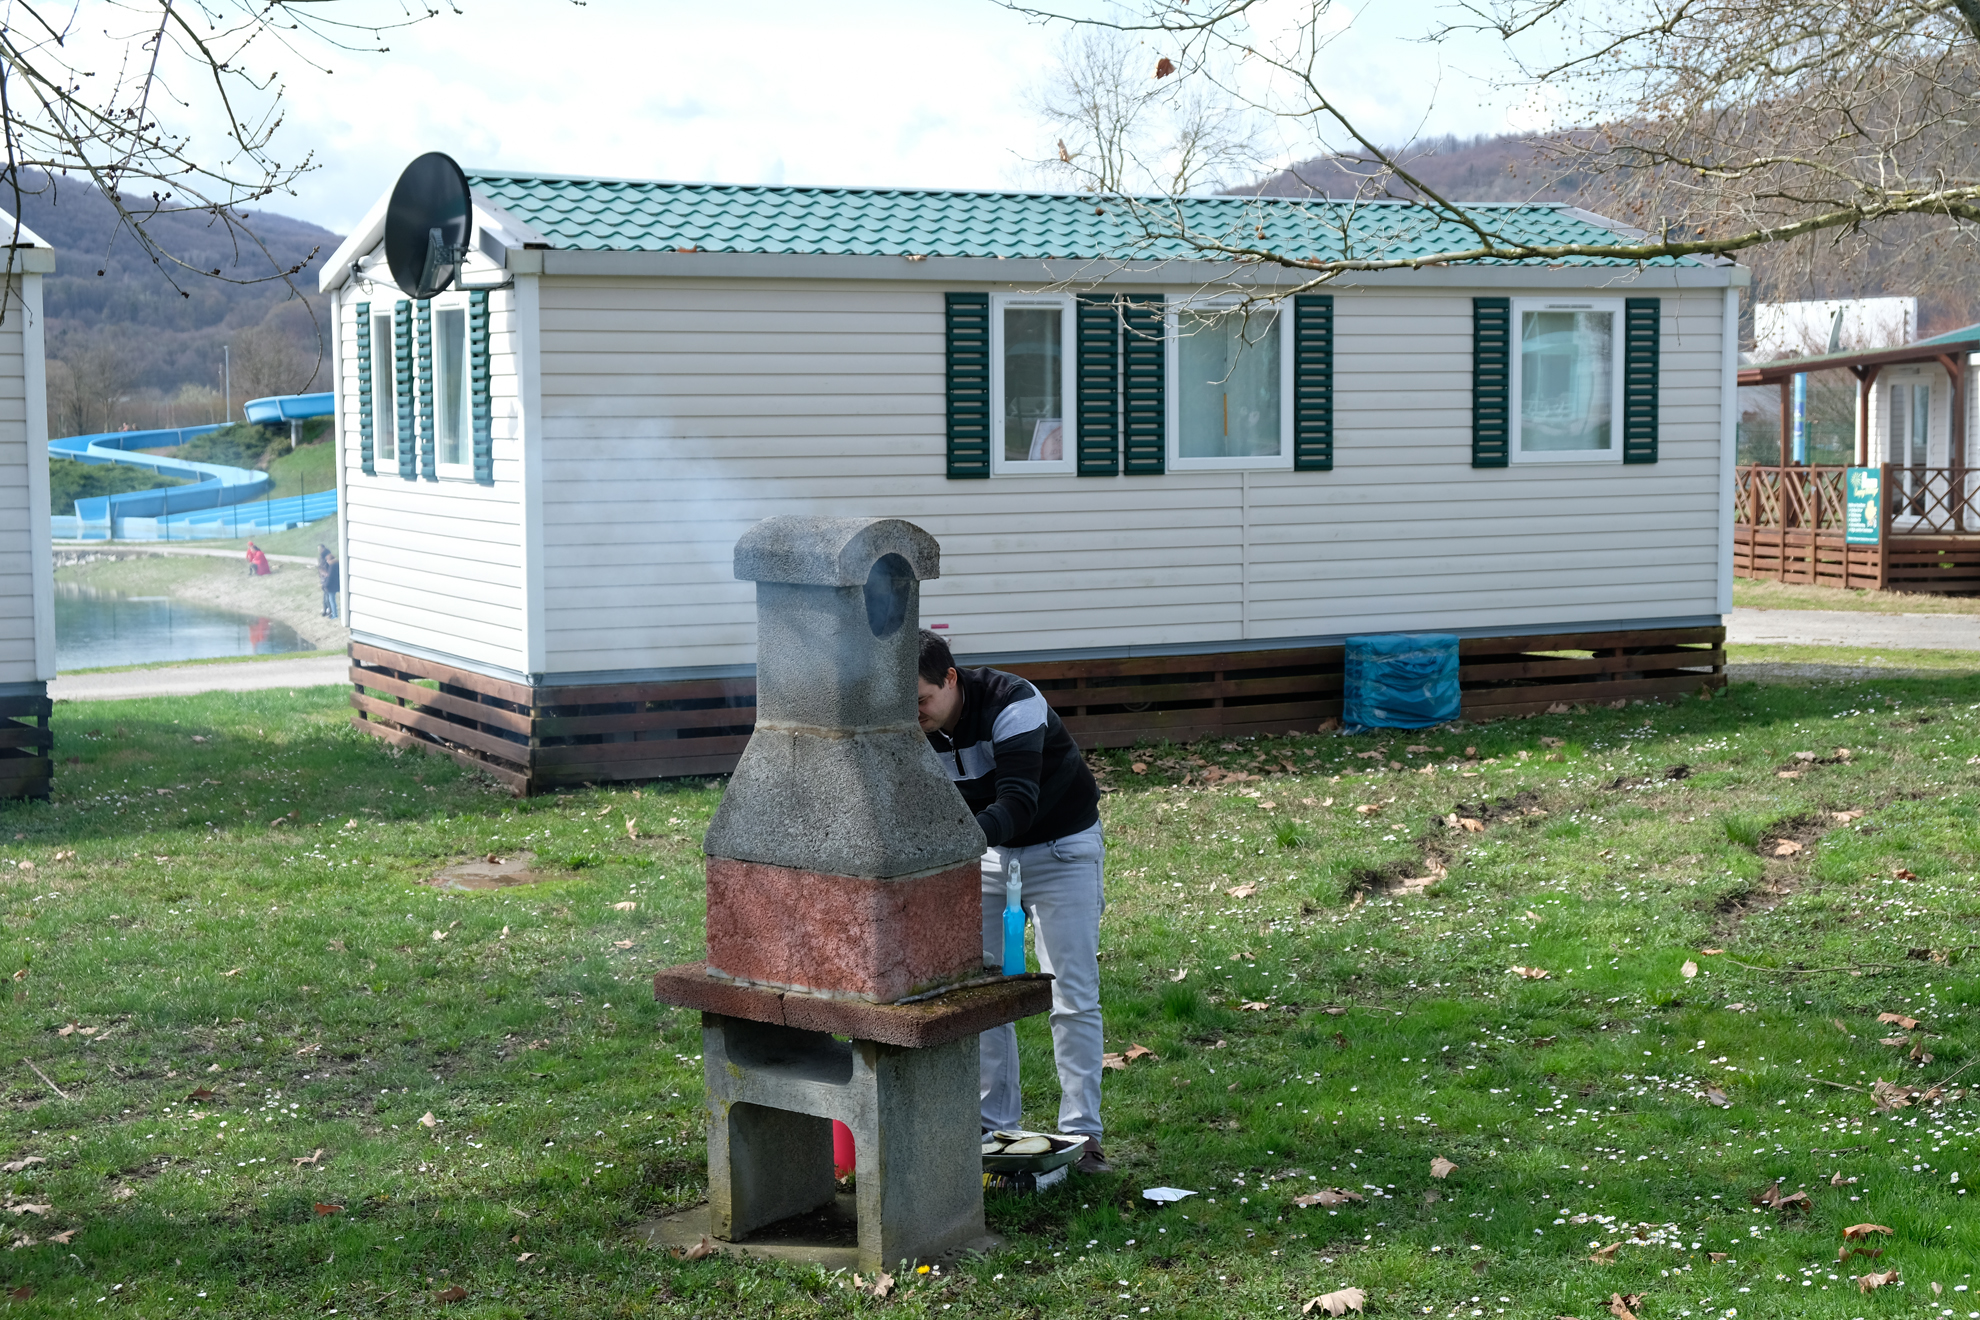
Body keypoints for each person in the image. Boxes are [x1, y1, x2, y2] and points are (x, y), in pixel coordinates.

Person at [915, 629, 1111, 1175]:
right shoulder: (913, 725)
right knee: (983, 994)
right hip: (985, 854)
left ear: (950, 678)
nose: (914, 714)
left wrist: (950, 847)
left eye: (922, 699)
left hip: (1062, 847)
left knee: (1072, 994)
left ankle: (1083, 1136)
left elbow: (1019, 802)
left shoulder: (1014, 702)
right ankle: (993, 1129)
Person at [321, 552, 340, 620]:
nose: (327, 561)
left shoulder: (332, 566)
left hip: (332, 586)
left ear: (330, 560)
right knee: (331, 600)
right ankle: (333, 613)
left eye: (327, 560)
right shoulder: (337, 564)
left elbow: (330, 577)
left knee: (331, 600)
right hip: (337, 584)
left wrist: (325, 585)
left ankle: (334, 615)